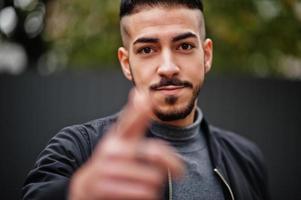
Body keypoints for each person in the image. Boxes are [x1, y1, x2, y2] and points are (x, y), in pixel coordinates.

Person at [22, 0, 270, 199]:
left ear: (206, 55)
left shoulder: (246, 158)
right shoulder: (77, 148)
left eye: (184, 46)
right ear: (126, 63)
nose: (168, 67)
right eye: (147, 50)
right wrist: (79, 193)